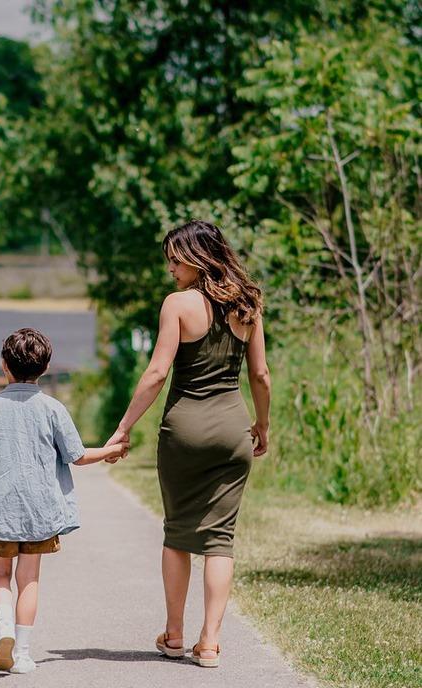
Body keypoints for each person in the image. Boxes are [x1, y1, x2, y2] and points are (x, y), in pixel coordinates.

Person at [104, 219, 271, 668]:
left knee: (178, 532)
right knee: (220, 539)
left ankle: (174, 634)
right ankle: (210, 643)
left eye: (175, 259)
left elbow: (158, 372)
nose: (171, 269)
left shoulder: (178, 305)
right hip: (233, 430)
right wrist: (263, 426)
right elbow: (260, 375)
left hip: (184, 430)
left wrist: (123, 426)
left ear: (197, 258)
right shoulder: (249, 304)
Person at [0, 328, 130, 674]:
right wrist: (112, 450)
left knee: (0, 577)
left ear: (4, 365)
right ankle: (24, 653)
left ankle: (2, 628)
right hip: (40, 511)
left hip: (0, 510)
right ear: (45, 368)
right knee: (28, 579)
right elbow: (77, 457)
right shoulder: (53, 409)